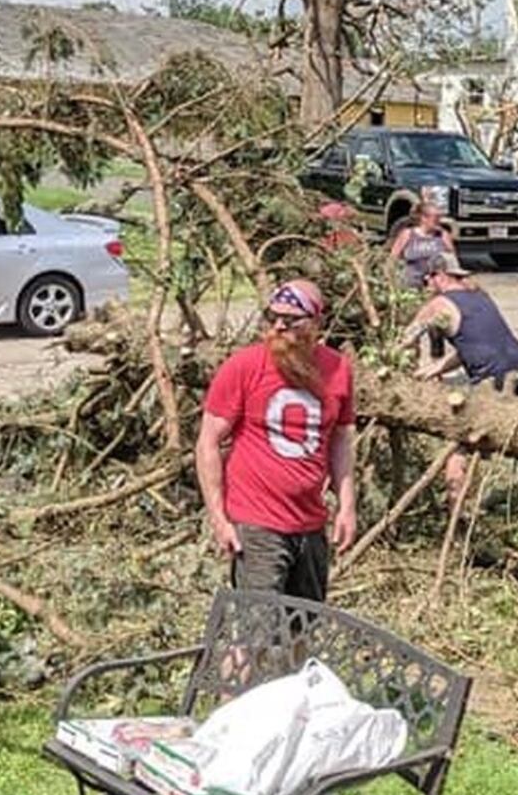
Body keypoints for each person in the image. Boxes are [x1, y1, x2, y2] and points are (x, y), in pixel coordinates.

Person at [195, 277, 357, 601]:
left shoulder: (338, 369)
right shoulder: (244, 366)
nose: (279, 327)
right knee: (259, 630)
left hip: (310, 524)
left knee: (303, 627)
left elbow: (340, 439)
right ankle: (235, 655)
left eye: (291, 319)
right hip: (257, 525)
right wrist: (220, 519)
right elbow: (208, 442)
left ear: (316, 323)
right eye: (273, 318)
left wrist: (347, 506)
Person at [402, 254, 518, 504]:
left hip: (492, 381)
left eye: (427, 279)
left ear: (440, 276)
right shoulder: (479, 296)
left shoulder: (438, 304)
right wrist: (436, 369)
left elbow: (406, 339)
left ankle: (457, 512)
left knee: (459, 444)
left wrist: (402, 369)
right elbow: (476, 345)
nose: (425, 286)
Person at [388, 191, 455, 291]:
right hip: (410, 284)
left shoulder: (442, 235)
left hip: (435, 285)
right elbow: (392, 258)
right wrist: (390, 281)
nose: (439, 221)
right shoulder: (408, 234)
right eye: (435, 218)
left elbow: (453, 261)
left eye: (440, 217)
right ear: (424, 218)